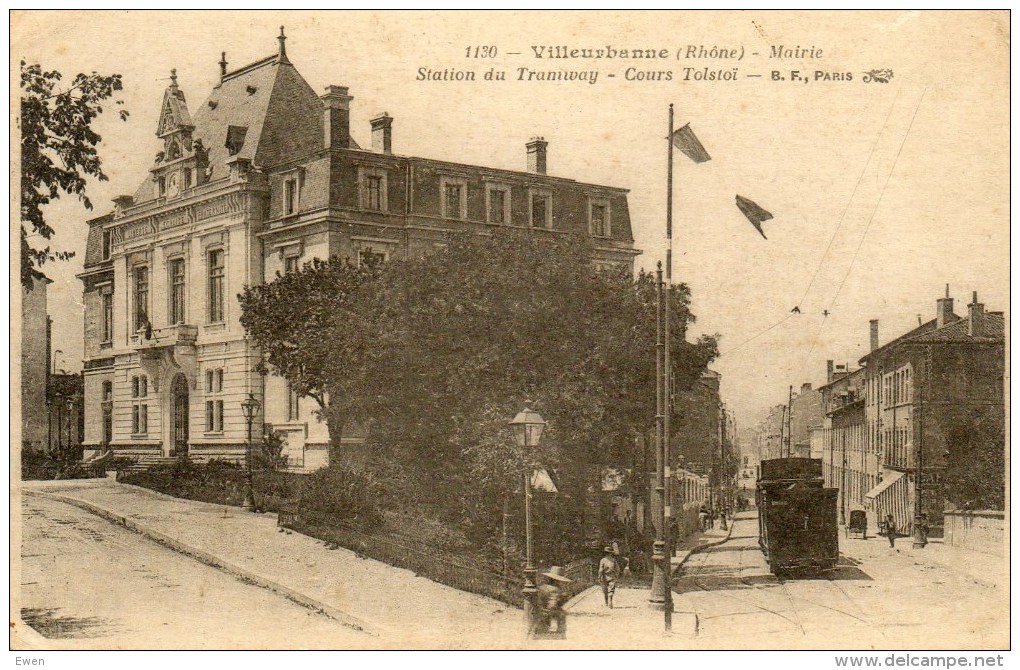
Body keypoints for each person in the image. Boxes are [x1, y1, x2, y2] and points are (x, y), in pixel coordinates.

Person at [534, 566, 571, 638]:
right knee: (562, 614)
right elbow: (552, 605)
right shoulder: (556, 589)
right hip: (549, 611)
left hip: (540, 609)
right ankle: (561, 634)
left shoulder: (542, 587)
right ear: (557, 580)